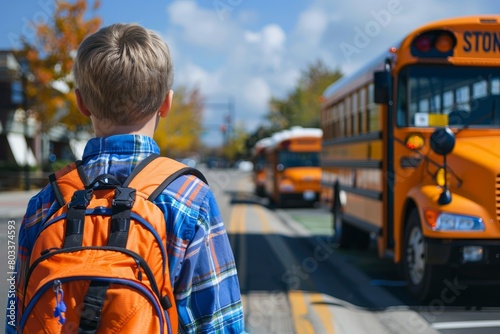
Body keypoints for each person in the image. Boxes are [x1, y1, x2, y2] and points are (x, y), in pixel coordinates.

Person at [6, 23, 245, 333]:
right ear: (166, 104)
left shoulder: (45, 201)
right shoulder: (188, 197)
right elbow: (219, 323)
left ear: (81, 103)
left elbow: (16, 316)